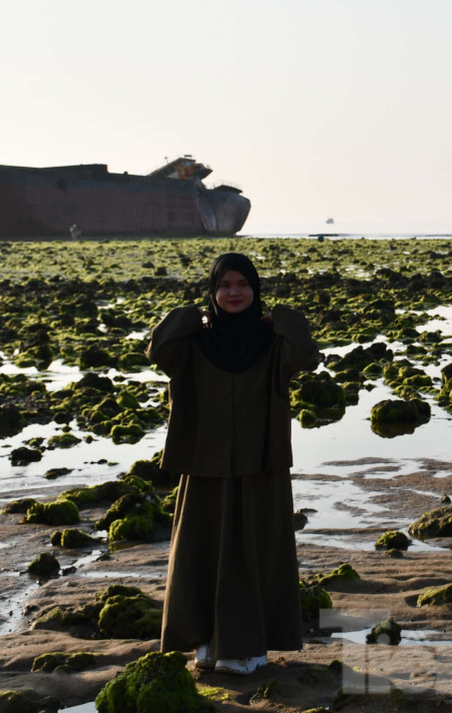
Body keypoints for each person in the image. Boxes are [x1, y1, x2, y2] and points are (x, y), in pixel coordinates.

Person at [147, 252, 319, 675]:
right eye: (225, 285)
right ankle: (204, 643)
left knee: (256, 554)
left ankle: (250, 649)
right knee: (201, 554)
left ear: (255, 290)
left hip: (261, 465)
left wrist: (280, 317)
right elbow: (158, 349)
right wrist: (191, 315)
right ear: (213, 291)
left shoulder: (272, 343)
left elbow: (307, 355)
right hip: (204, 465)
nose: (234, 293)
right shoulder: (194, 343)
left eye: (243, 285)